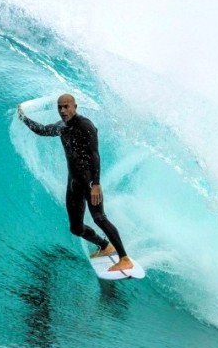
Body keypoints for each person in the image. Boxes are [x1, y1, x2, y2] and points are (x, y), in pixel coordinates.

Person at [18, 94, 133, 274]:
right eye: (60, 107)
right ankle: (104, 246)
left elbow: (95, 155)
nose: (63, 111)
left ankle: (124, 258)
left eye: (66, 106)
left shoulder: (85, 126)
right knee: (76, 228)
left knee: (99, 218)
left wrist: (96, 183)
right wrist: (23, 117)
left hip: (89, 182)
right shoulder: (62, 127)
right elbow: (42, 130)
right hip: (74, 183)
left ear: (75, 106)